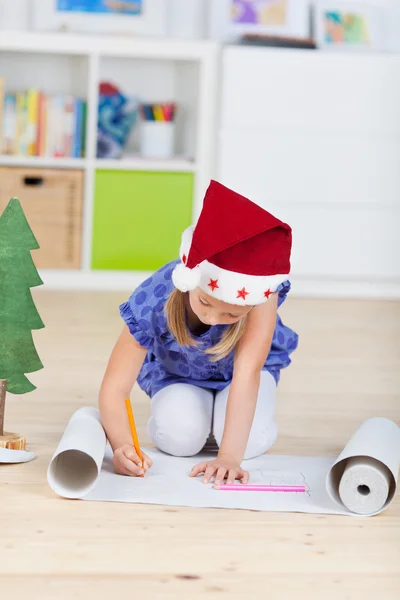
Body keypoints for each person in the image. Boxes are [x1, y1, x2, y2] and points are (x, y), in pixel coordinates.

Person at [99, 180, 298, 485]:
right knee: (179, 439)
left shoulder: (261, 294)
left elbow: (247, 373)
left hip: (237, 377)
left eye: (232, 314)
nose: (215, 319)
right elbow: (115, 388)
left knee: (252, 441)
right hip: (178, 375)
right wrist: (122, 446)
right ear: (190, 279)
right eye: (205, 302)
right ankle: (204, 417)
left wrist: (229, 457)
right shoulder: (155, 297)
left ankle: (220, 424)